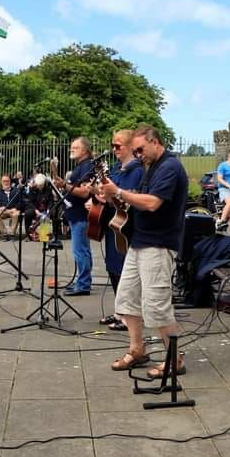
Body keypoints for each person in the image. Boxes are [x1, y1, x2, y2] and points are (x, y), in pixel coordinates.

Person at [99, 124, 188, 377]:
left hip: (159, 245)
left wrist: (118, 191)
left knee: (157, 306)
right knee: (126, 299)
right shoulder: (150, 166)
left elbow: (152, 203)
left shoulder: (170, 167)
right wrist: (112, 197)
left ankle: (175, 360)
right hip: (140, 242)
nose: (138, 155)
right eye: (135, 151)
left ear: (155, 141)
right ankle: (137, 349)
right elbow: (137, 198)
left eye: (140, 149)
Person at [96, 129, 143, 331]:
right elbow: (109, 195)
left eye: (118, 146)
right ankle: (119, 311)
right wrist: (98, 194)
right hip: (113, 223)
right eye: (112, 145)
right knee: (112, 267)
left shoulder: (136, 170)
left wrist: (112, 194)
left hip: (127, 225)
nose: (113, 149)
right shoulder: (116, 168)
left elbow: (127, 197)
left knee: (125, 270)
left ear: (131, 146)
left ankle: (128, 315)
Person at [54, 137, 94, 296]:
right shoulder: (80, 166)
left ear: (85, 150)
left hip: (80, 215)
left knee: (80, 250)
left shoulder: (87, 166)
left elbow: (85, 191)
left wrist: (64, 185)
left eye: (75, 148)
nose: (71, 150)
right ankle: (83, 281)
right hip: (75, 215)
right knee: (83, 249)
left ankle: (83, 284)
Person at [0, 174, 23, 239]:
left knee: (16, 214)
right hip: (3, 211)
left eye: (7, 181)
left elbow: (21, 202)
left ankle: (12, 233)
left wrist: (16, 208)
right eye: (4, 181)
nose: (6, 183)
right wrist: (0, 207)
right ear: (1, 182)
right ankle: (5, 233)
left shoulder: (16, 191)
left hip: (13, 210)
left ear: (10, 182)